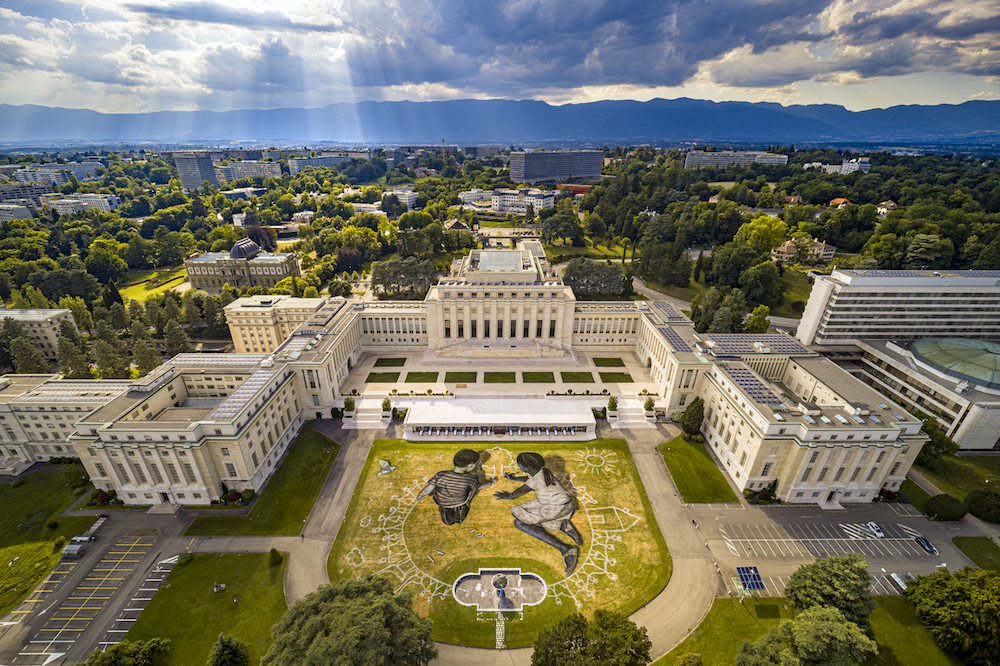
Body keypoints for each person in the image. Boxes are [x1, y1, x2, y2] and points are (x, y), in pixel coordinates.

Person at [494, 452, 582, 576]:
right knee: (522, 513)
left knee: (519, 522)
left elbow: (520, 491)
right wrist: (514, 478)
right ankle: (562, 524)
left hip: (554, 507)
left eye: (520, 465)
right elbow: (529, 480)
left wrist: (507, 496)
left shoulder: (537, 479)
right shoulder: (543, 472)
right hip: (563, 504)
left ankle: (566, 548)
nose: (519, 467)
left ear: (526, 467)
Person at [415, 449, 496, 525]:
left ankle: (446, 515)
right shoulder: (471, 478)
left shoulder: (441, 474)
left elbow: (429, 487)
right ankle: (460, 515)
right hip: (460, 501)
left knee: (442, 496)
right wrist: (491, 482)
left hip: (441, 501)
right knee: (471, 490)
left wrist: (422, 493)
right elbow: (479, 487)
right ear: (471, 466)